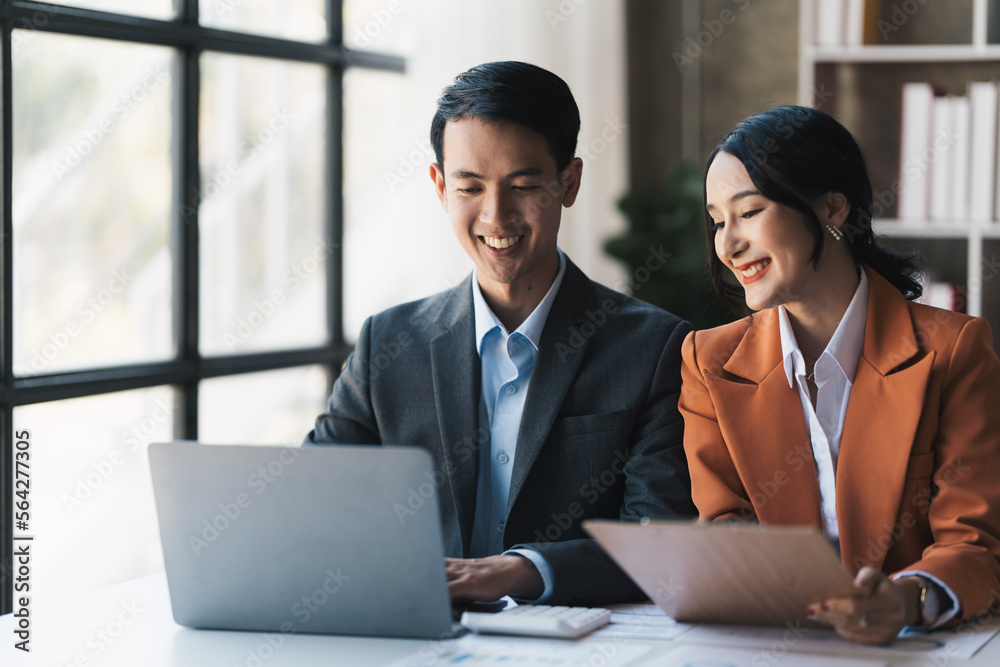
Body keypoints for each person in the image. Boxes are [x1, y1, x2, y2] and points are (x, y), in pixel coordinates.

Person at [305, 61, 696, 606]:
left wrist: (521, 572)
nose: (497, 216)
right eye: (470, 187)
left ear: (570, 182)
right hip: (418, 638)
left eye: (524, 186)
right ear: (440, 187)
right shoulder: (387, 344)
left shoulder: (655, 348)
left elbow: (662, 540)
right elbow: (314, 504)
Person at [682, 104, 1000, 645]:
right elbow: (725, 529)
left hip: (916, 647)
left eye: (750, 211)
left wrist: (903, 599)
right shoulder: (709, 362)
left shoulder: (954, 351)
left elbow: (975, 546)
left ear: (832, 209)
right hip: (775, 646)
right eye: (717, 221)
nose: (727, 244)